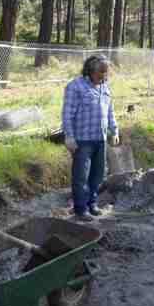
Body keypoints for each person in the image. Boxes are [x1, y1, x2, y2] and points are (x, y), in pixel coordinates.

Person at [61, 55, 119, 222]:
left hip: (100, 139)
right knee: (81, 176)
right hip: (82, 140)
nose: (104, 76)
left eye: (106, 72)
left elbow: (110, 111)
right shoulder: (75, 87)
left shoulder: (105, 87)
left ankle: (92, 203)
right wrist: (69, 136)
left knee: (98, 175)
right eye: (101, 72)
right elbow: (67, 114)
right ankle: (81, 208)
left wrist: (114, 131)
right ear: (90, 70)